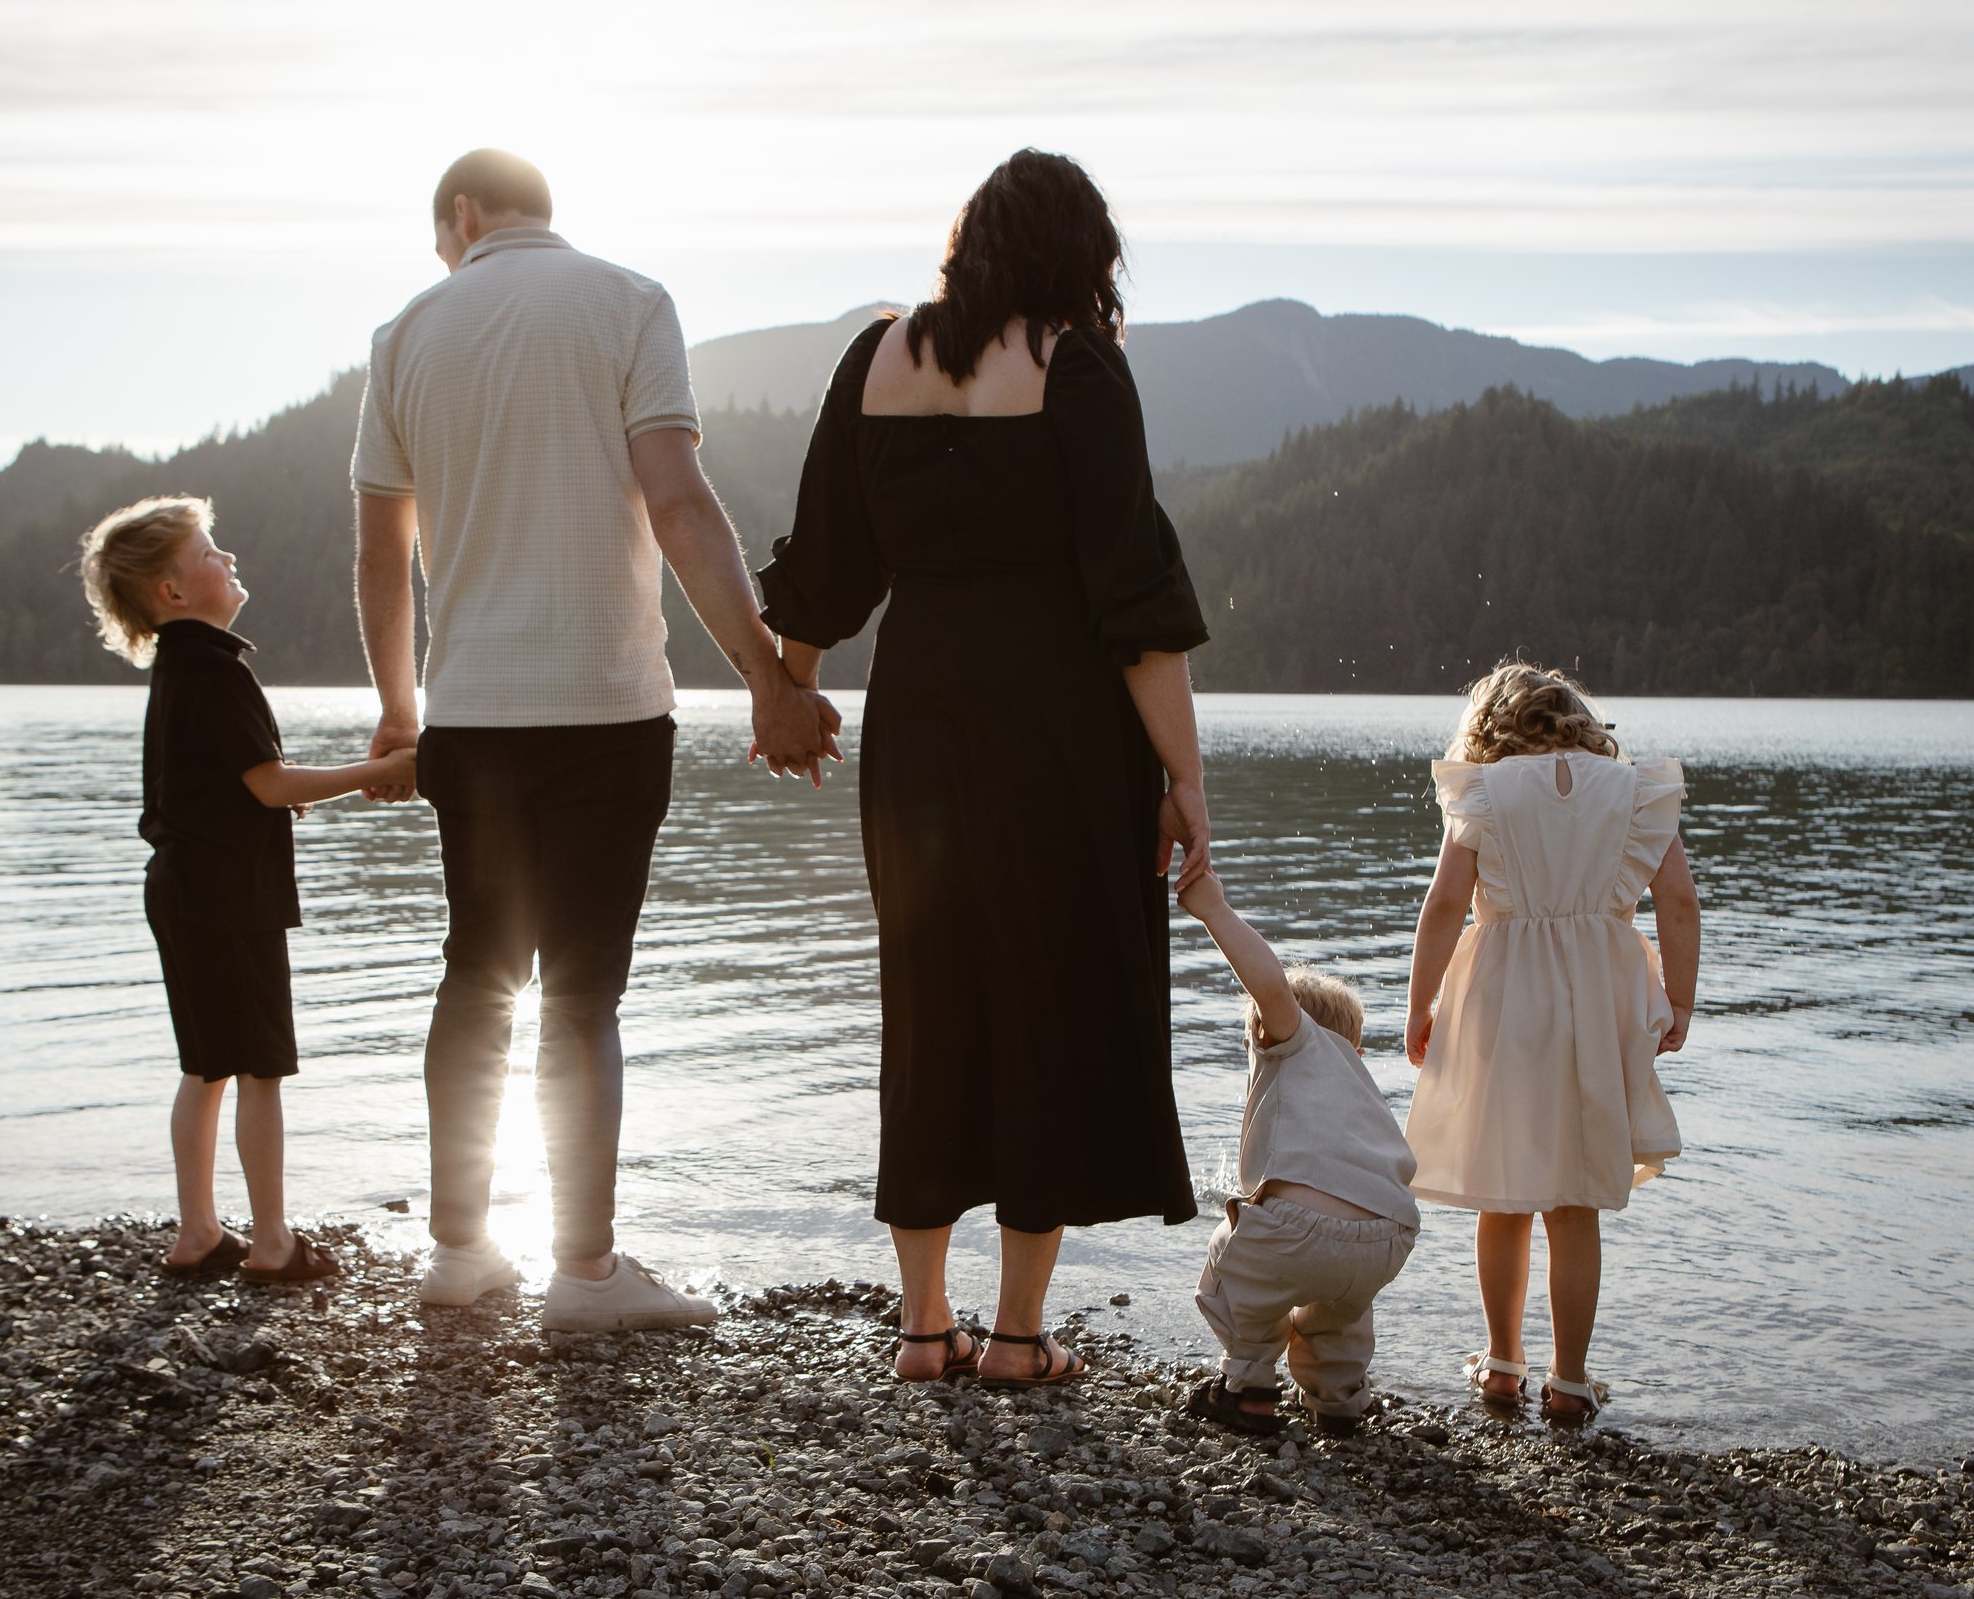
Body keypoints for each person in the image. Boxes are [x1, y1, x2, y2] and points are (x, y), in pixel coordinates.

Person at [350, 148, 839, 1330]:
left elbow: (378, 553)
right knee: (581, 993)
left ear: (460, 215)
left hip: (470, 713)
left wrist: (399, 711)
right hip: (610, 711)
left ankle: (460, 1250)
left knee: (475, 973)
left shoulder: (407, 331)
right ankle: (583, 1271)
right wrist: (767, 677)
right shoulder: (631, 301)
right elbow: (677, 503)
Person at [756, 148, 1210, 1387]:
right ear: (1078, 251)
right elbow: (1135, 598)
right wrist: (1184, 776)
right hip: (1056, 723)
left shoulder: (876, 353)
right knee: (1047, 999)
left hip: (919, 714)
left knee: (930, 994)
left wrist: (790, 688)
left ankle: (918, 1325)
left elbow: (828, 561)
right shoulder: (1073, 364)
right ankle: (1015, 1334)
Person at [78, 495, 416, 1286]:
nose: (227, 560)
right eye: (209, 553)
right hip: (232, 896)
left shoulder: (180, 668)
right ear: (173, 591)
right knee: (260, 1064)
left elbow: (221, 783)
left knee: (205, 1064)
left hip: (182, 886)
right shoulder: (217, 669)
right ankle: (271, 1242)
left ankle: (198, 1230)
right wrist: (387, 771)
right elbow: (265, 783)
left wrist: (286, 789)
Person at [1402, 661, 1702, 1424]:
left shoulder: (1486, 791)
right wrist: (1678, 999)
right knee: (1574, 1200)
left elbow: (1444, 906)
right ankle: (1570, 1380)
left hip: (1505, 1006)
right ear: (1581, 720)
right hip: (1599, 1010)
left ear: (1492, 727)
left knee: (1504, 1192)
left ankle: (1502, 1363)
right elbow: (1678, 899)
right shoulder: (1633, 790)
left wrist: (1420, 1004)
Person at [1175, 872, 1419, 1437]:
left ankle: (1249, 1385)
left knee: (1230, 1261)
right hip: (1387, 1238)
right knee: (1341, 1310)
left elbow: (1270, 987)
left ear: (1263, 1033)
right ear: (1355, 1045)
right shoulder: (1358, 1082)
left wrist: (1214, 909)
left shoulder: (1294, 1042)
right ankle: (1337, 1401)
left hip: (1297, 1231)